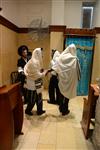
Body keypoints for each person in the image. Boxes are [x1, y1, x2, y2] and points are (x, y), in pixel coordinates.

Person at [50, 44, 81, 115]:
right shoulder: (75, 59)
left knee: (61, 94)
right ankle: (65, 109)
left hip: (62, 80)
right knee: (67, 96)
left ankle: (61, 108)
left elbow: (56, 66)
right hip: (70, 81)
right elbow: (78, 70)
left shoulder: (61, 57)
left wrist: (49, 71)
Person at [24, 48, 47, 116]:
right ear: (37, 53)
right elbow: (36, 75)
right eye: (41, 53)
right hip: (32, 84)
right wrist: (44, 73)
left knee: (39, 97)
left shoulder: (33, 61)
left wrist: (41, 71)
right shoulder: (33, 62)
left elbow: (36, 71)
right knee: (32, 99)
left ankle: (39, 110)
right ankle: (27, 110)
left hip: (37, 82)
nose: (42, 55)